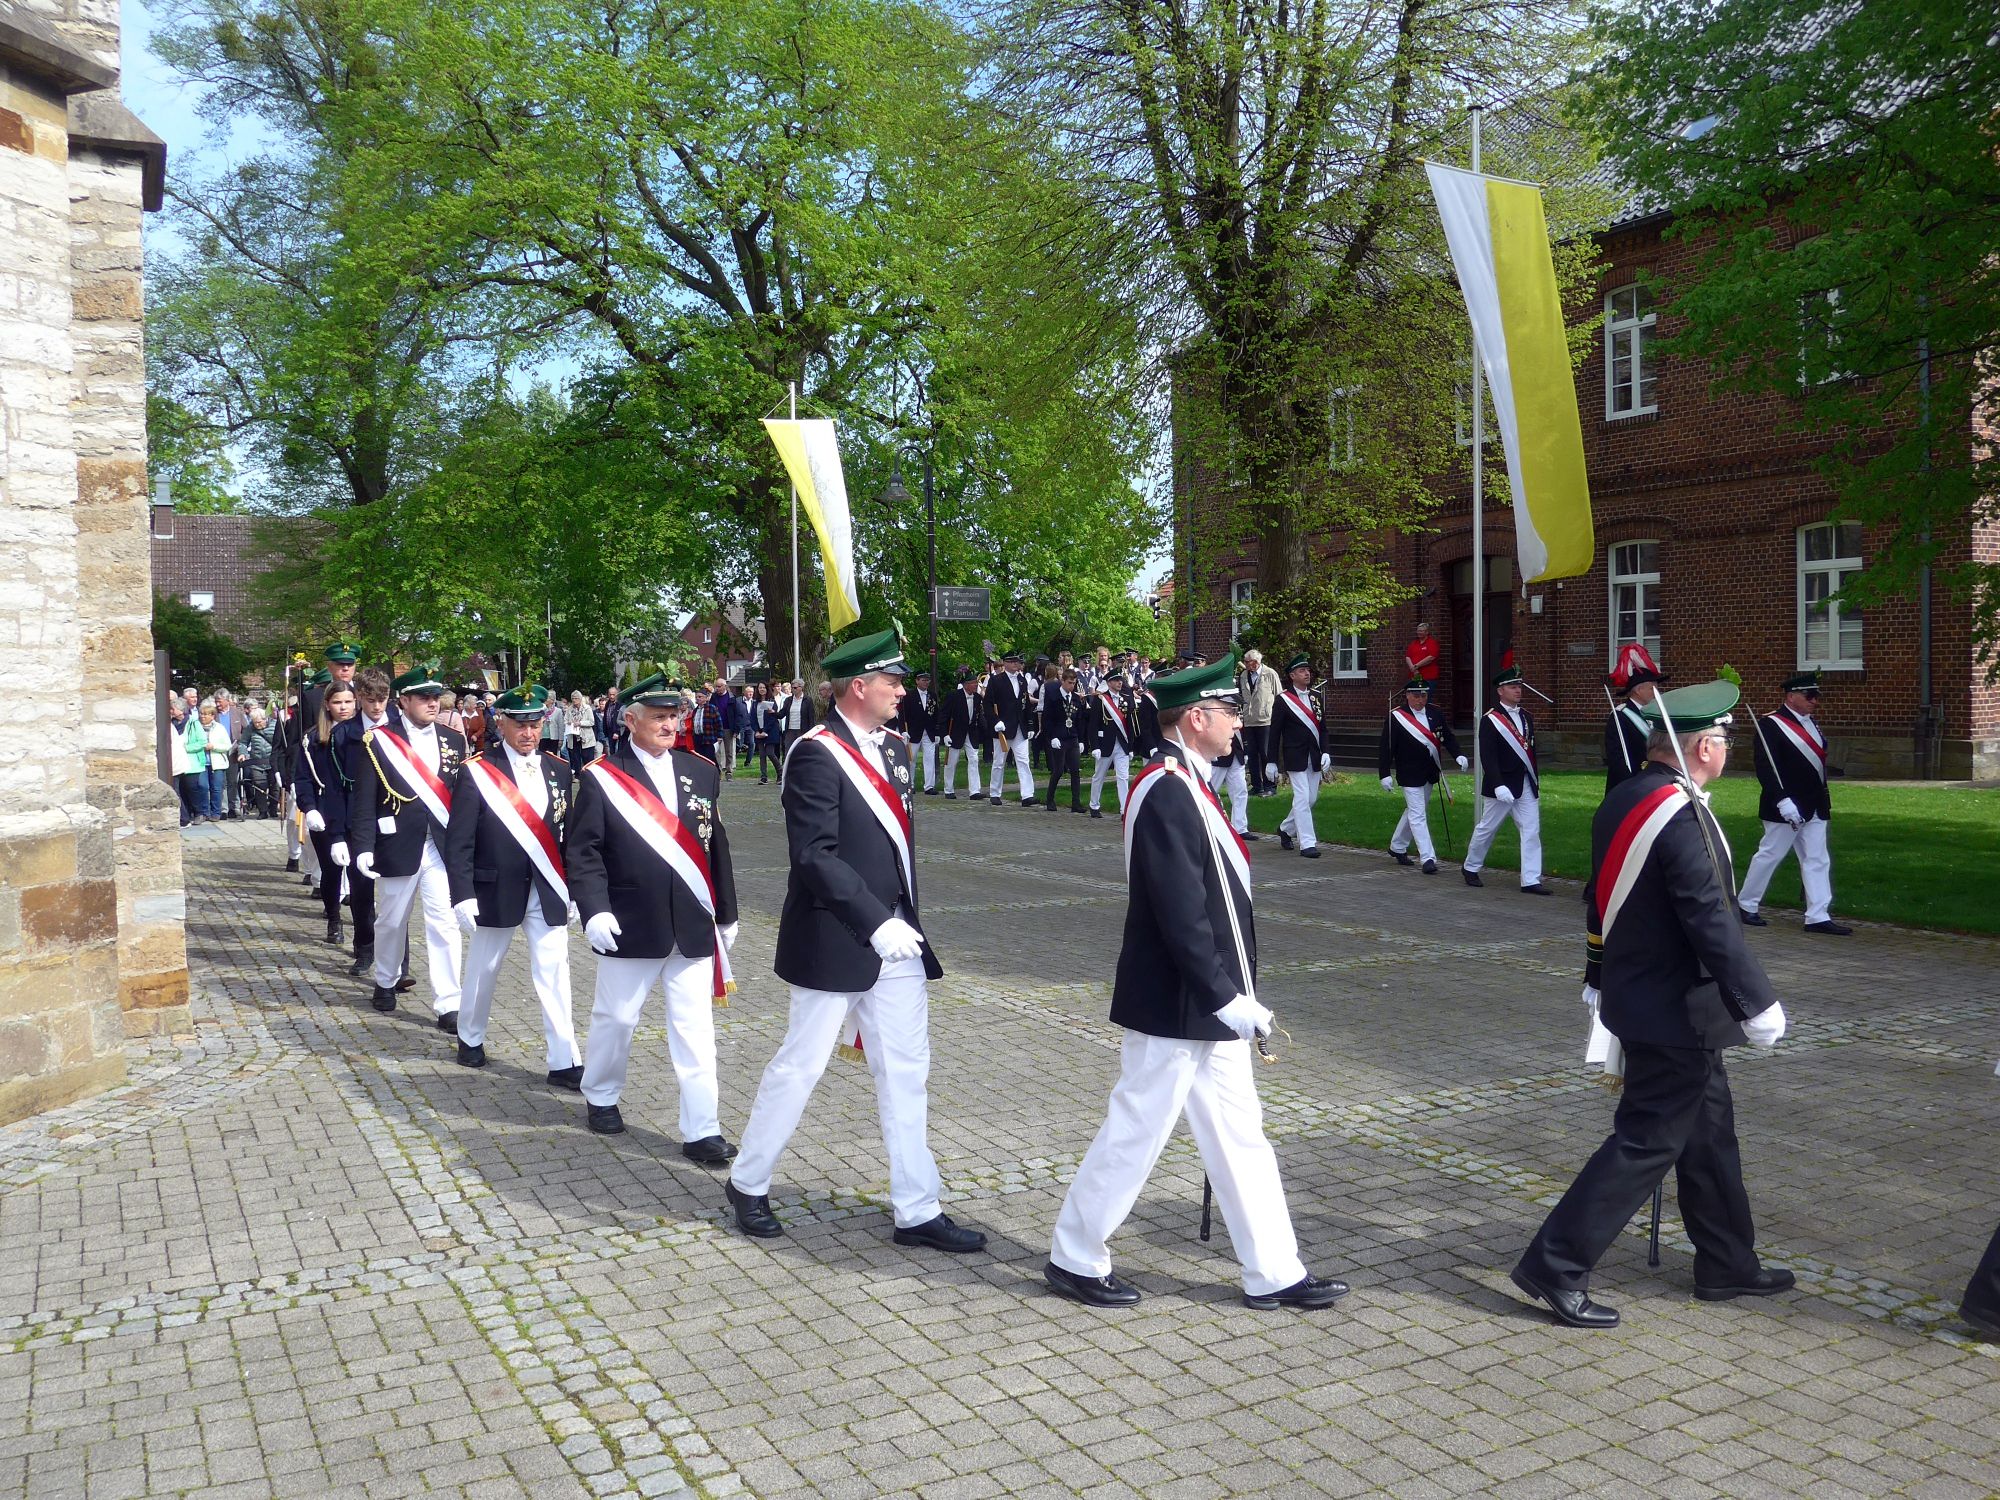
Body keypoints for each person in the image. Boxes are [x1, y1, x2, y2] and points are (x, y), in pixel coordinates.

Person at [1046, 658, 1347, 1311]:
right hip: (1177, 1001)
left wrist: (1231, 994)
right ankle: (1074, 1255)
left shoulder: (1188, 783)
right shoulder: (1165, 788)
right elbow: (1179, 909)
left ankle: (1274, 1270)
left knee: (1241, 1137)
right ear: (1195, 718)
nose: (1240, 722)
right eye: (1230, 712)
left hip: (1209, 1001)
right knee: (1137, 1130)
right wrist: (1224, 995)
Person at [1511, 679, 1794, 1328]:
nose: (1728, 749)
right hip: (1675, 1012)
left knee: (1710, 1137)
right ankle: (1555, 1263)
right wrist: (1756, 1001)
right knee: (1646, 1142)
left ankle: (1726, 1261)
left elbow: (1601, 897)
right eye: (1723, 739)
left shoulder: (1627, 796)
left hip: (1654, 1000)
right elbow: (1709, 918)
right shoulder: (1678, 813)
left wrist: (1598, 971)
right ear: (1701, 748)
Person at [726, 627, 986, 1254]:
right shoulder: (815, 753)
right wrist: (876, 920)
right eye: (893, 681)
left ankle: (917, 1209)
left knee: (907, 1072)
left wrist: (900, 919)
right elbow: (814, 856)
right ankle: (748, 1181)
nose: (903, 690)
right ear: (859, 686)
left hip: (898, 938)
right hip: (837, 934)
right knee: (802, 1065)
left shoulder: (894, 749)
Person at [565, 674, 738, 1148]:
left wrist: (727, 911)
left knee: (695, 1029)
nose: (669, 725)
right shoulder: (602, 776)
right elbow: (584, 851)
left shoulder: (701, 770)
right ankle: (601, 1095)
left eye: (674, 716)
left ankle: (702, 1129)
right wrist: (594, 909)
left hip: (692, 921)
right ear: (630, 720)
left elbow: (715, 845)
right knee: (617, 1019)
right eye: (659, 717)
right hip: (630, 921)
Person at [444, 685, 584, 1087]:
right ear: (501, 723)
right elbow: (460, 839)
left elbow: (567, 836)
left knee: (555, 972)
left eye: (535, 724)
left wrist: (574, 889)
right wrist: (462, 893)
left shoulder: (559, 769)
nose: (528, 733)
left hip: (548, 885)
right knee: (484, 968)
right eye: (520, 725)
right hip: (495, 885)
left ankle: (564, 1059)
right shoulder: (477, 770)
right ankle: (470, 1036)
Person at [350, 665, 471, 1025]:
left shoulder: (454, 740)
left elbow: (462, 798)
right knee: (392, 920)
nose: (433, 703)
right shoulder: (378, 741)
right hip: (397, 842)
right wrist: (363, 846)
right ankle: (386, 979)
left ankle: (449, 1002)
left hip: (440, 845)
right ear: (403, 701)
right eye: (423, 697)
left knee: (444, 922)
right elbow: (364, 799)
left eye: (435, 697)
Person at [1737, 670, 1850, 936]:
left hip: (1815, 803)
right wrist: (1782, 800)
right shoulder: (1770, 725)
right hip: (1785, 805)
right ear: (1791, 696)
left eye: (1816, 696)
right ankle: (1746, 904)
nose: (1815, 701)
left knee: (1817, 859)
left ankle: (1817, 915)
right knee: (1770, 854)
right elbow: (1766, 768)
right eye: (1809, 696)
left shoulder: (1812, 723)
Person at [1462, 666, 1550, 894]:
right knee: (1488, 828)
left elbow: (1530, 752)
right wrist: (1498, 784)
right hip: (1501, 785)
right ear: (1500, 691)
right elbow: (1488, 756)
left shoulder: (1527, 716)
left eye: (1519, 686)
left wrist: (1534, 781)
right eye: (1512, 687)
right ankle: (1471, 866)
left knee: (1531, 829)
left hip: (1526, 782)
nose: (1518, 690)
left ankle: (1530, 879)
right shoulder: (1491, 719)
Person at [334, 669, 393, 979]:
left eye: (382, 699)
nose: (377, 706)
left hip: (394, 819)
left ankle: (397, 960)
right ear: (359, 698)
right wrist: (337, 833)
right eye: (370, 700)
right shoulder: (345, 734)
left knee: (397, 895)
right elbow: (337, 786)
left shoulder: (400, 729)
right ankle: (365, 947)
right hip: (357, 820)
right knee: (361, 889)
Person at [1377, 678, 1464, 874]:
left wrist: (1458, 754)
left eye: (1424, 695)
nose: (1420, 699)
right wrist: (1384, 774)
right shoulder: (1396, 717)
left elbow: (1447, 736)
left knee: (1414, 810)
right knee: (1418, 814)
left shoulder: (1435, 713)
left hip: (1429, 772)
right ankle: (1428, 858)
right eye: (1416, 695)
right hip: (1409, 772)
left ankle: (1397, 846)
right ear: (1407, 695)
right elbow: (1386, 747)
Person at [294, 681, 357, 945]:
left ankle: (363, 928)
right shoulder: (312, 738)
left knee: (358, 872)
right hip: (326, 813)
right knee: (331, 870)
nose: (343, 707)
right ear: (327, 705)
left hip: (357, 813)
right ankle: (334, 918)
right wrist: (309, 808)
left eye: (348, 702)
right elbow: (303, 777)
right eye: (337, 702)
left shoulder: (365, 734)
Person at [1270, 654, 1332, 859]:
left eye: (1308, 670)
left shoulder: (1316, 697)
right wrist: (1271, 761)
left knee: (1311, 799)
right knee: (1302, 797)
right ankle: (1307, 843)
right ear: (1292, 675)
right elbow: (1274, 733)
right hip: (1295, 755)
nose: (1307, 673)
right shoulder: (1283, 700)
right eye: (1302, 671)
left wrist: (1326, 751)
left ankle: (1285, 829)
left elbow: (1323, 728)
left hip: (1314, 755)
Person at [1604, 643, 1667, 793]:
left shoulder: (1656, 713)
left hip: (1654, 783)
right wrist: (1632, 787)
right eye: (1652, 688)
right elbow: (1618, 759)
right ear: (1638, 690)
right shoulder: (1620, 716)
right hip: (1629, 786)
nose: (1657, 692)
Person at [983, 650, 1036, 807]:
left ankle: (1027, 795)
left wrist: (1030, 724)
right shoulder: (995, 680)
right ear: (1005, 663)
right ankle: (995, 793)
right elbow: (987, 704)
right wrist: (995, 721)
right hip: (1002, 727)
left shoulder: (1022, 680)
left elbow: (1026, 704)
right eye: (1012, 661)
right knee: (999, 762)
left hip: (1019, 726)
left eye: (1016, 662)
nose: (1015, 664)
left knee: (1023, 761)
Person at [1087, 674, 1136, 817]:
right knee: (1099, 776)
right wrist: (1095, 746)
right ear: (1109, 683)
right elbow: (1093, 724)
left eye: (1121, 680)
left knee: (1123, 777)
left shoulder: (1125, 699)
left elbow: (1130, 725)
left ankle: (1124, 809)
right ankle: (1094, 805)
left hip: (1122, 744)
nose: (1120, 683)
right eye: (1116, 680)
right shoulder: (1101, 699)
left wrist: (1131, 747)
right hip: (1105, 744)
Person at [1042, 667, 1087, 813]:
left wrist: (1081, 739)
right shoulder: (1054, 697)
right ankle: (1050, 799)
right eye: (1069, 683)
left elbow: (1079, 720)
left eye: (1074, 683)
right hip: (1058, 737)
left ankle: (1076, 803)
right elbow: (1047, 719)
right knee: (1058, 770)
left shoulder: (1075, 699)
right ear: (1062, 681)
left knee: (1075, 770)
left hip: (1072, 737)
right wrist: (1052, 736)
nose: (1071, 686)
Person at [1236, 650, 1279, 795]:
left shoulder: (1270, 673)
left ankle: (1270, 786)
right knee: (1252, 754)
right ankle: (1256, 786)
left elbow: (1278, 695)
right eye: (1245, 662)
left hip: (1266, 720)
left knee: (1266, 754)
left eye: (1247, 662)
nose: (1245, 664)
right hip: (1249, 720)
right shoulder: (1243, 675)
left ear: (1256, 662)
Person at [939, 667, 983, 800]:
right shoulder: (953, 696)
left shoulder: (977, 697)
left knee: (974, 759)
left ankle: (975, 791)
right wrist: (944, 734)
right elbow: (943, 716)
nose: (976, 685)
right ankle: (948, 789)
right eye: (973, 683)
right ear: (966, 684)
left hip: (971, 732)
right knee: (951, 761)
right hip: (955, 732)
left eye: (976, 683)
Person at [899, 668, 939, 795]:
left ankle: (929, 786)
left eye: (928, 680)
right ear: (917, 681)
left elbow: (936, 714)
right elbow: (903, 715)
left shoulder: (932, 695)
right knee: (911, 759)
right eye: (923, 680)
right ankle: (910, 784)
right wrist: (903, 731)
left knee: (930, 759)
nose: (926, 682)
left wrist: (938, 732)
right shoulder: (909, 696)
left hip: (929, 732)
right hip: (913, 732)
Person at [239, 706, 278, 818]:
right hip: (257, 762)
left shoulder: (275, 725)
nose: (257, 725)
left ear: (265, 719)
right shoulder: (250, 728)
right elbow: (243, 742)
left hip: (273, 761)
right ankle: (263, 811)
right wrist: (242, 753)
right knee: (259, 786)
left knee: (275, 786)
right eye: (255, 722)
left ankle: (273, 809)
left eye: (259, 722)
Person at [1404, 620, 1442, 716]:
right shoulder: (1414, 643)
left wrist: (1417, 666)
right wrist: (1413, 668)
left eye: (1421, 631)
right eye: (1418, 630)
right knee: (1414, 698)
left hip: (1428, 677)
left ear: (1427, 632)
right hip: (1415, 677)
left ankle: (1426, 717)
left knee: (1425, 699)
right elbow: (1408, 656)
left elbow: (1431, 657)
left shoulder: (1432, 643)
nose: (1419, 632)